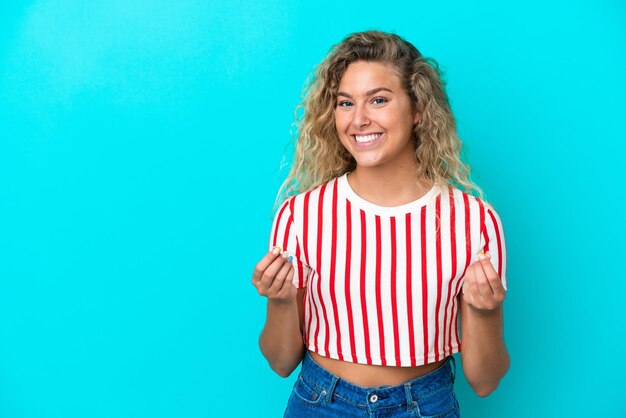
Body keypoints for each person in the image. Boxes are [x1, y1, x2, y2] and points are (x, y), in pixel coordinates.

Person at [252, 30, 509, 417]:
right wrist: (280, 299)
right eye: (344, 103)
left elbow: (485, 381)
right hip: (321, 402)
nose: (358, 119)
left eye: (379, 100)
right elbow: (280, 362)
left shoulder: (473, 221)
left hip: (424, 405)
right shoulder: (300, 215)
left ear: (418, 108)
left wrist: (485, 312)